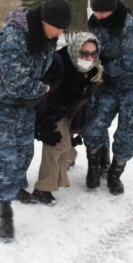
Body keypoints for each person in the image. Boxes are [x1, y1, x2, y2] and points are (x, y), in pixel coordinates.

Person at [0, 0, 71, 242]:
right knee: (6, 158)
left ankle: (17, 186)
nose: (61, 33)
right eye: (58, 27)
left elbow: (42, 68)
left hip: (23, 106)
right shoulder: (13, 39)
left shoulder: (46, 38)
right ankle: (5, 214)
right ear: (44, 21)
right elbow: (17, 84)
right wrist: (45, 89)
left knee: (24, 152)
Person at [84, 0, 133, 195]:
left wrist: (102, 69)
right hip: (109, 85)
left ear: (112, 10)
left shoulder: (130, 28)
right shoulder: (95, 24)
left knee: (127, 134)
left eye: (102, 12)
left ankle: (115, 174)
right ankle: (94, 167)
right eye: (95, 12)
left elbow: (131, 64)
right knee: (94, 126)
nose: (98, 16)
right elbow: (91, 50)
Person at [32, 33, 104, 205]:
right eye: (83, 53)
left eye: (92, 54)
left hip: (71, 113)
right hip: (49, 111)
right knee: (58, 142)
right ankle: (42, 189)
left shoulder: (93, 69)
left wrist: (93, 88)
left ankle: (68, 158)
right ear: (75, 49)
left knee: (66, 144)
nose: (88, 58)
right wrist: (43, 123)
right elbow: (42, 95)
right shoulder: (58, 63)